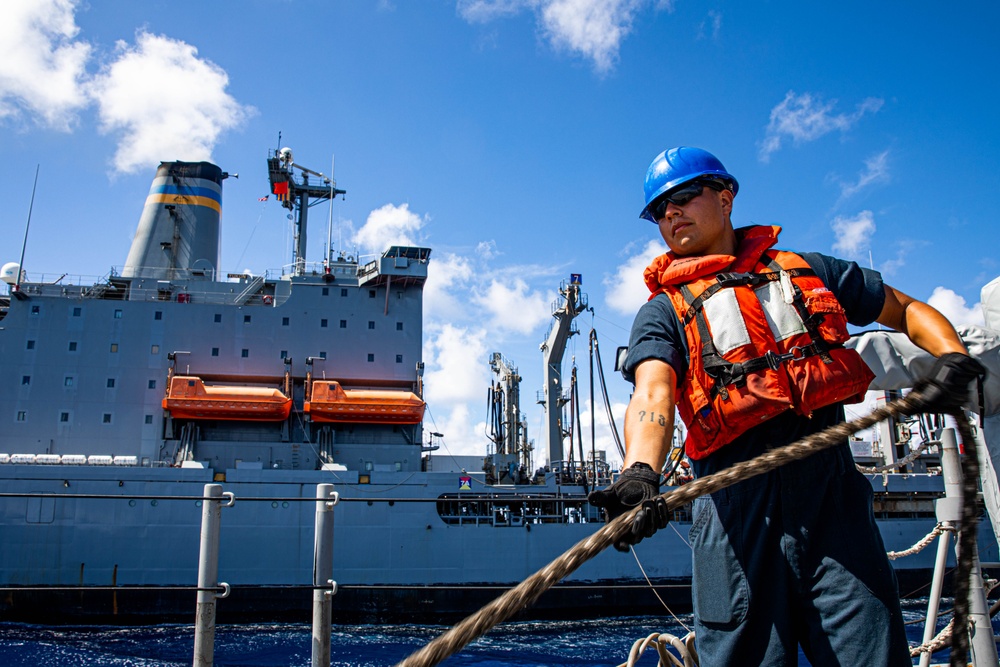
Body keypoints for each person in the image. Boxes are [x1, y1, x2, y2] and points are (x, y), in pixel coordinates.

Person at [588, 146, 986, 666]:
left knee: (871, 653)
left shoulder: (808, 272)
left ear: (726, 197)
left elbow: (906, 310)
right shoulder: (664, 312)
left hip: (833, 501)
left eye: (683, 197)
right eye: (658, 211)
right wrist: (639, 472)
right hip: (734, 515)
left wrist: (952, 356)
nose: (671, 214)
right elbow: (653, 392)